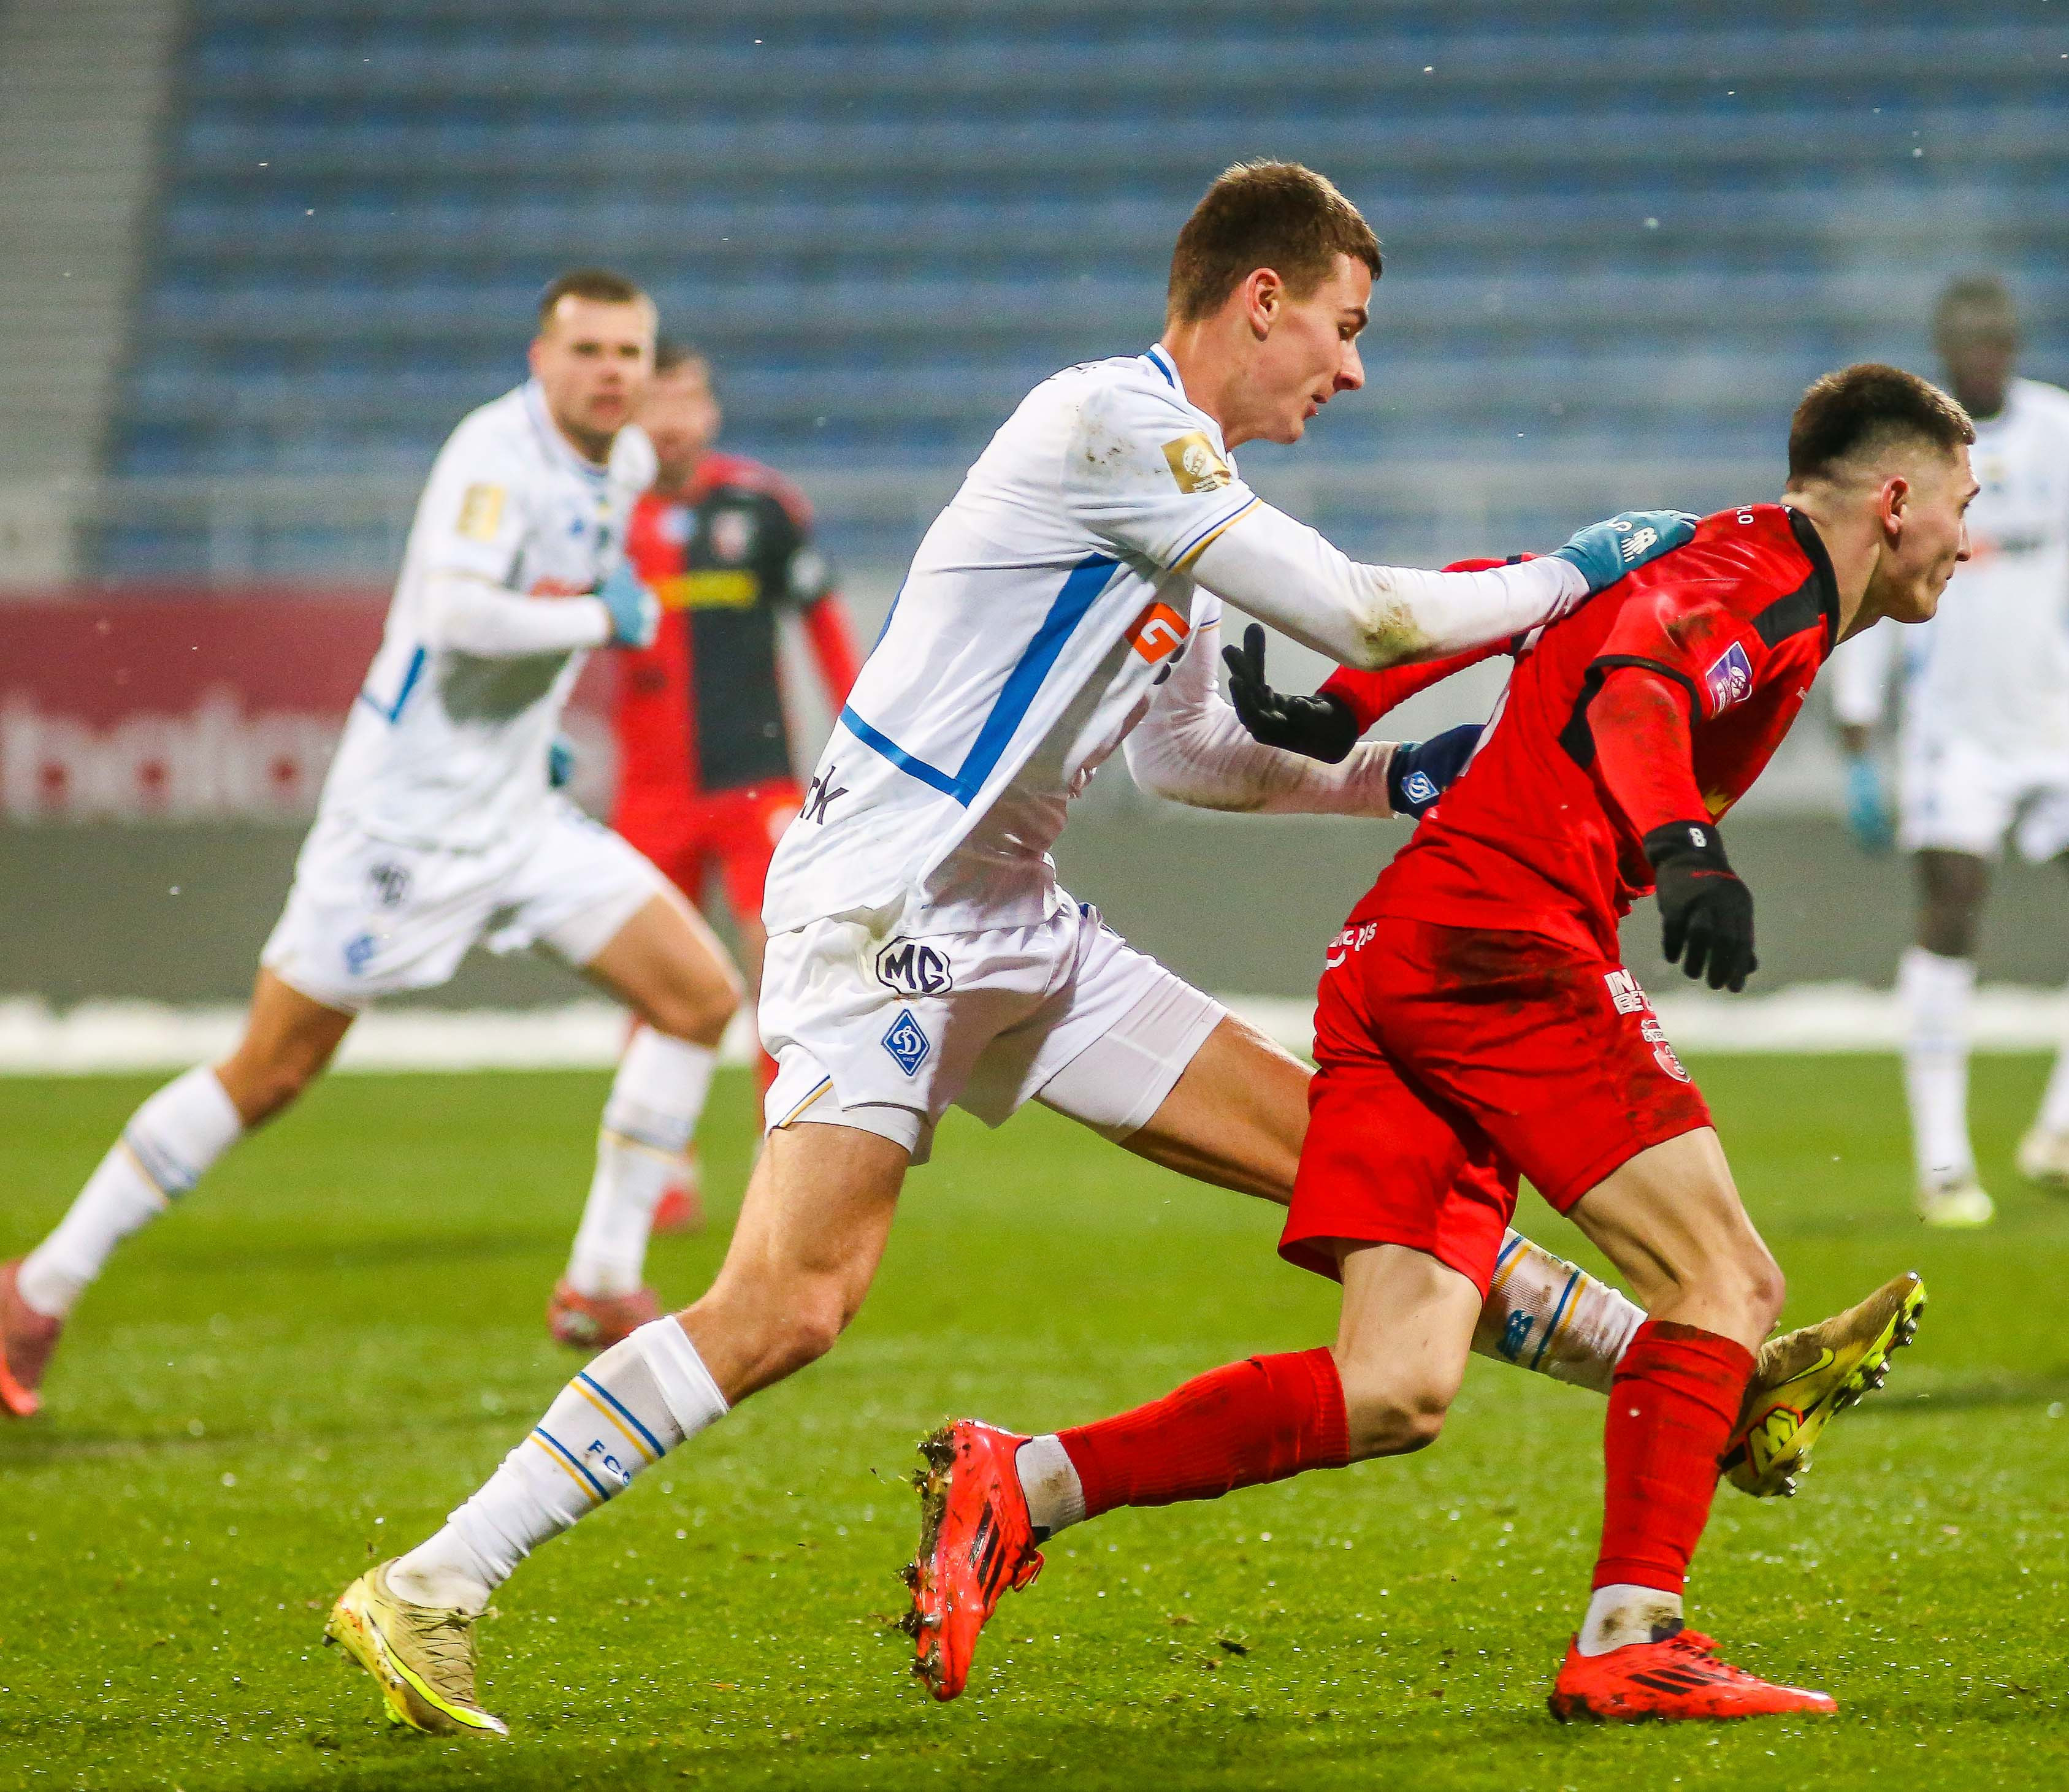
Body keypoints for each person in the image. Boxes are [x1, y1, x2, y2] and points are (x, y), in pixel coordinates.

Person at [319, 161, 1804, 1741]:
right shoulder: (1109, 423)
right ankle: (434, 1579)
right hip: (890, 909)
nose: (1354, 369)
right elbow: (1369, 620)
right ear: (1263, 300)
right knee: (790, 1304)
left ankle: (1703, 1377)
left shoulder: (1179, 490)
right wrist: (1577, 570)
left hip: (1013, 915)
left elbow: (1189, 757)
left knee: (1357, 1162)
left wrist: (1390, 777)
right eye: (1347, 326)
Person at [908, 363, 1975, 1724]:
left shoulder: (1697, 546)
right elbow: (1637, 688)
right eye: (1963, 505)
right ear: (1897, 500)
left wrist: (1347, 706)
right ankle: (1633, 1634)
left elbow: (1515, 593)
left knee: (1393, 1387)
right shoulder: (1770, 582)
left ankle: (1023, 1482)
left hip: (1395, 952)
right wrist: (1684, 847)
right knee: (1722, 1273)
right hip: (1504, 945)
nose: (1967, 539)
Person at [0, 270, 745, 1417]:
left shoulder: (627, 461)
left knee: (698, 998)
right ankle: (39, 1288)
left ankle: (601, 1280)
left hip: (516, 818)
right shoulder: (493, 459)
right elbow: (455, 614)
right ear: (540, 360)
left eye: (628, 354)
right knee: (271, 1070)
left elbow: (536, 616)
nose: (610, 372)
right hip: (404, 826)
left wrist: (534, 730)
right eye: (587, 350)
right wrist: (602, 618)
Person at [1826, 275, 2069, 1227]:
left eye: (1997, 341)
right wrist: (1858, 717)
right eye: (1967, 343)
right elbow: (1870, 578)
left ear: (2014, 346)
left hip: (2062, 721)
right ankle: (1943, 1163)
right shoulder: (1900, 455)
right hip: (1954, 735)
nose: (1984, 356)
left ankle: (2065, 1129)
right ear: (1942, 352)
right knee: (1950, 913)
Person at [611, 341, 865, 1232]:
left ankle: (778, 1153)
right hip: (649, 796)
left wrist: (863, 749)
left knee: (779, 965)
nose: (672, 421)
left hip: (756, 786)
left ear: (711, 412)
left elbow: (825, 632)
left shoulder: (760, 505)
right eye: (656, 402)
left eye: (686, 400)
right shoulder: (600, 516)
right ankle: (658, 1173)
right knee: (653, 981)